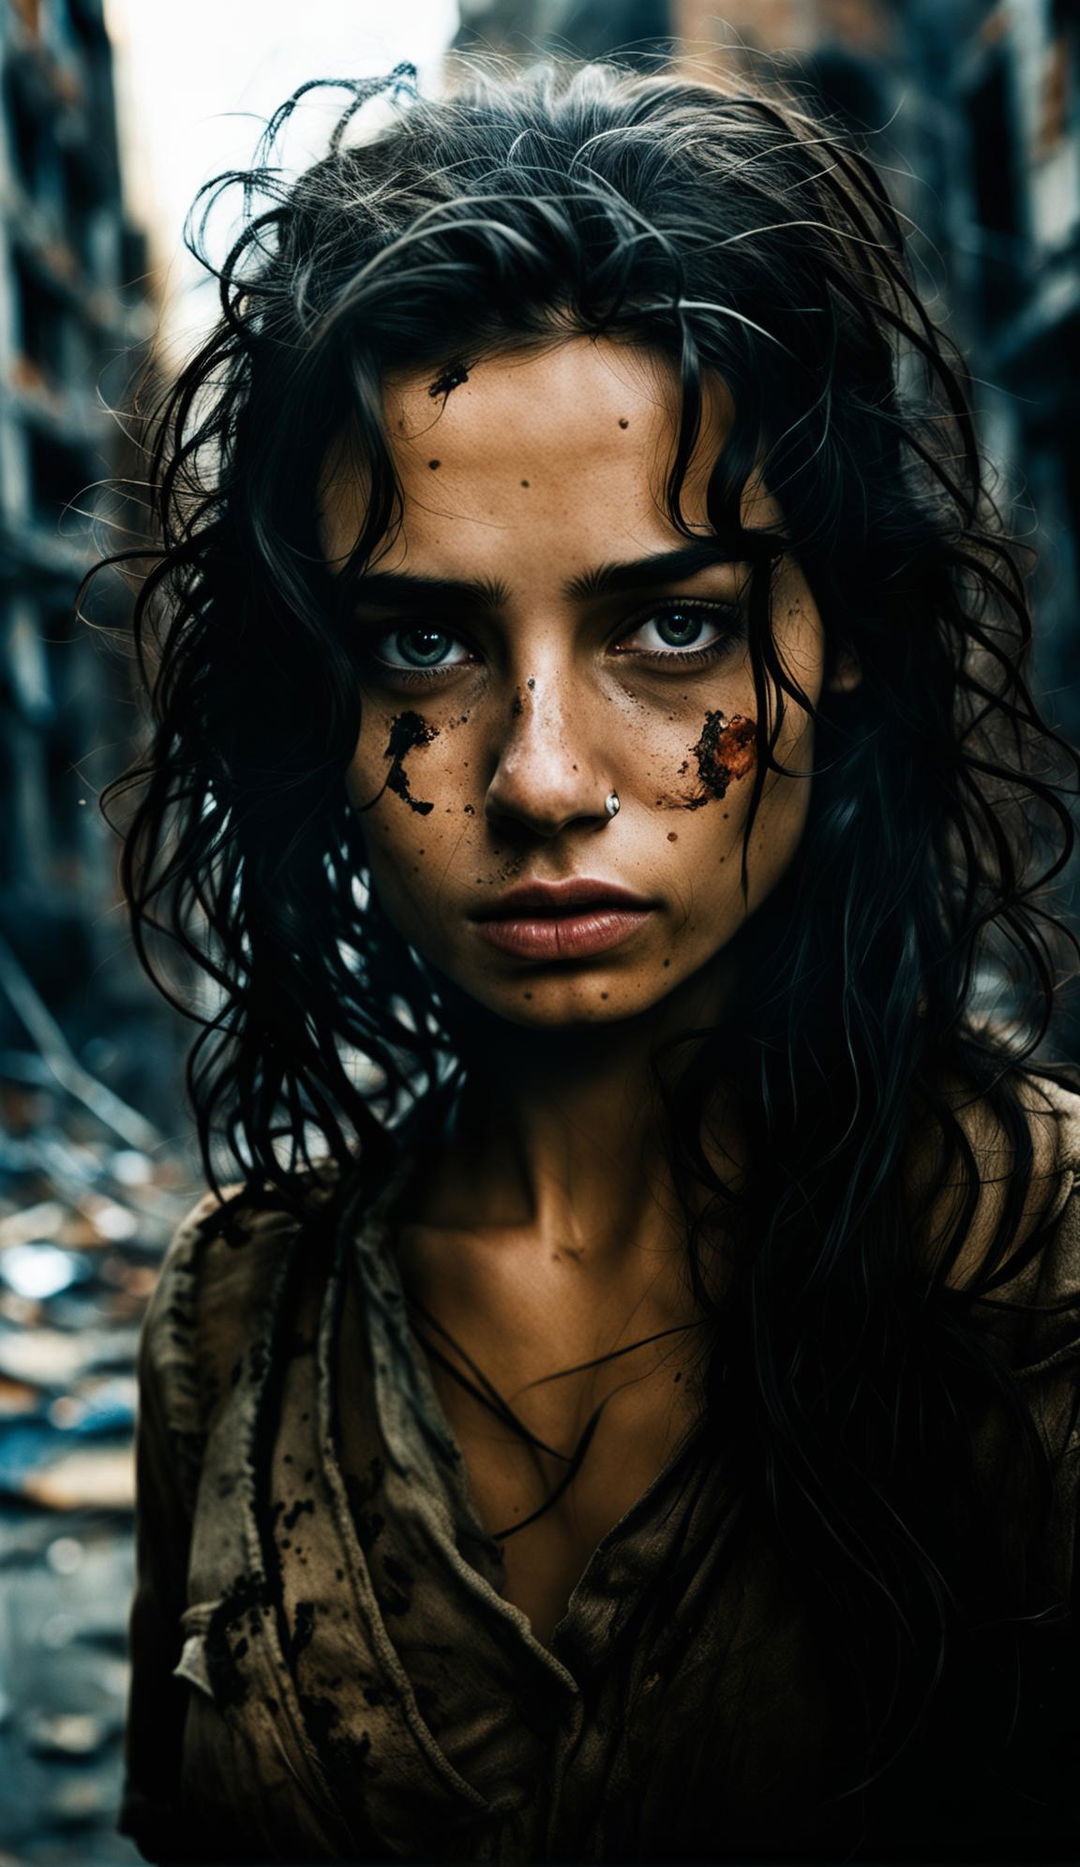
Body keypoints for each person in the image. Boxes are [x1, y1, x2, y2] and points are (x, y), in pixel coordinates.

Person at [103, 55, 1080, 1866]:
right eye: (422, 645)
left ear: (840, 633)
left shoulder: (1047, 1271)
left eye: (673, 625)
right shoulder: (236, 1327)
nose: (541, 775)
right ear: (313, 692)